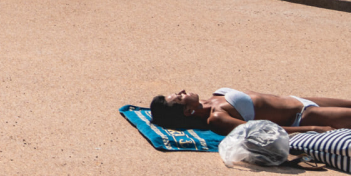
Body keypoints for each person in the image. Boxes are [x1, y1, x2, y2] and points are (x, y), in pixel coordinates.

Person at [149, 89, 349, 135]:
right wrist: (313, 128)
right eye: (179, 96)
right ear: (186, 111)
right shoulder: (217, 119)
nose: (182, 91)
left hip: (298, 100)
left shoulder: (212, 96)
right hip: (303, 117)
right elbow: (263, 129)